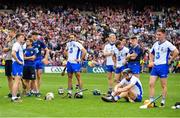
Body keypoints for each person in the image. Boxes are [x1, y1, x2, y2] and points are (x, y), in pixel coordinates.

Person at [149, 28, 179, 107]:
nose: (157, 36)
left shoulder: (168, 44)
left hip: (163, 66)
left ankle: (163, 101)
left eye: (159, 35)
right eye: (157, 34)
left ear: (164, 35)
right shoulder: (155, 44)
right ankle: (151, 101)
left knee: (163, 85)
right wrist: (151, 61)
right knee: (151, 83)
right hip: (155, 66)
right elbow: (151, 53)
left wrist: (171, 60)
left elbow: (176, 52)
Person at [65, 34, 87, 98]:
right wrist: (67, 57)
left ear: (75, 38)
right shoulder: (68, 44)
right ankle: (69, 92)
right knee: (69, 77)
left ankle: (80, 92)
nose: (71, 38)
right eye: (70, 37)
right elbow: (65, 51)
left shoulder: (78, 44)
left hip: (76, 63)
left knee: (78, 77)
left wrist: (80, 59)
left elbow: (84, 51)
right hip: (69, 62)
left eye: (72, 37)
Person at [31, 32, 49, 97]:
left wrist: (45, 58)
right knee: (34, 76)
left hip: (39, 60)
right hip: (33, 61)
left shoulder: (40, 42)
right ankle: (33, 89)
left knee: (39, 75)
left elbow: (47, 50)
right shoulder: (30, 42)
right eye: (34, 35)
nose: (35, 37)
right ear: (32, 36)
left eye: (36, 35)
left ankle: (38, 90)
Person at [11, 33, 25, 102]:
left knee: (18, 80)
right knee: (16, 81)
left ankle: (15, 96)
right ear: (18, 38)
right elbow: (13, 53)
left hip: (18, 64)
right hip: (17, 64)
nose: (23, 38)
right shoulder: (16, 44)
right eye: (22, 37)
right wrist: (18, 61)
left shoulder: (19, 45)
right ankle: (14, 97)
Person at [3, 28, 16, 97]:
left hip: (12, 59)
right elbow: (4, 49)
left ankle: (16, 92)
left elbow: (13, 47)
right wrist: (8, 45)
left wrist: (8, 42)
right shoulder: (9, 39)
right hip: (7, 59)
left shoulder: (15, 39)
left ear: (13, 32)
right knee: (8, 77)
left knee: (13, 77)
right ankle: (11, 92)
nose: (8, 33)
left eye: (9, 32)